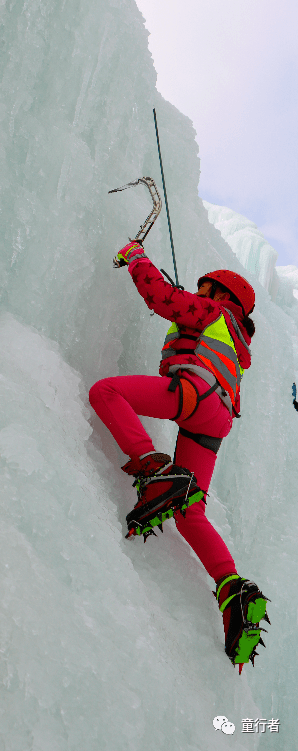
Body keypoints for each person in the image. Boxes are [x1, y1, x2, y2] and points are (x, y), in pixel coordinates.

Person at [89, 239, 269, 671]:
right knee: (191, 512)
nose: (198, 294)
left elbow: (164, 299)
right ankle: (233, 591)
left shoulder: (214, 312)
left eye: (205, 289)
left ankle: (153, 469)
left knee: (106, 391)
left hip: (195, 394)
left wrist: (137, 258)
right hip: (215, 419)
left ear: (224, 298)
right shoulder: (236, 335)